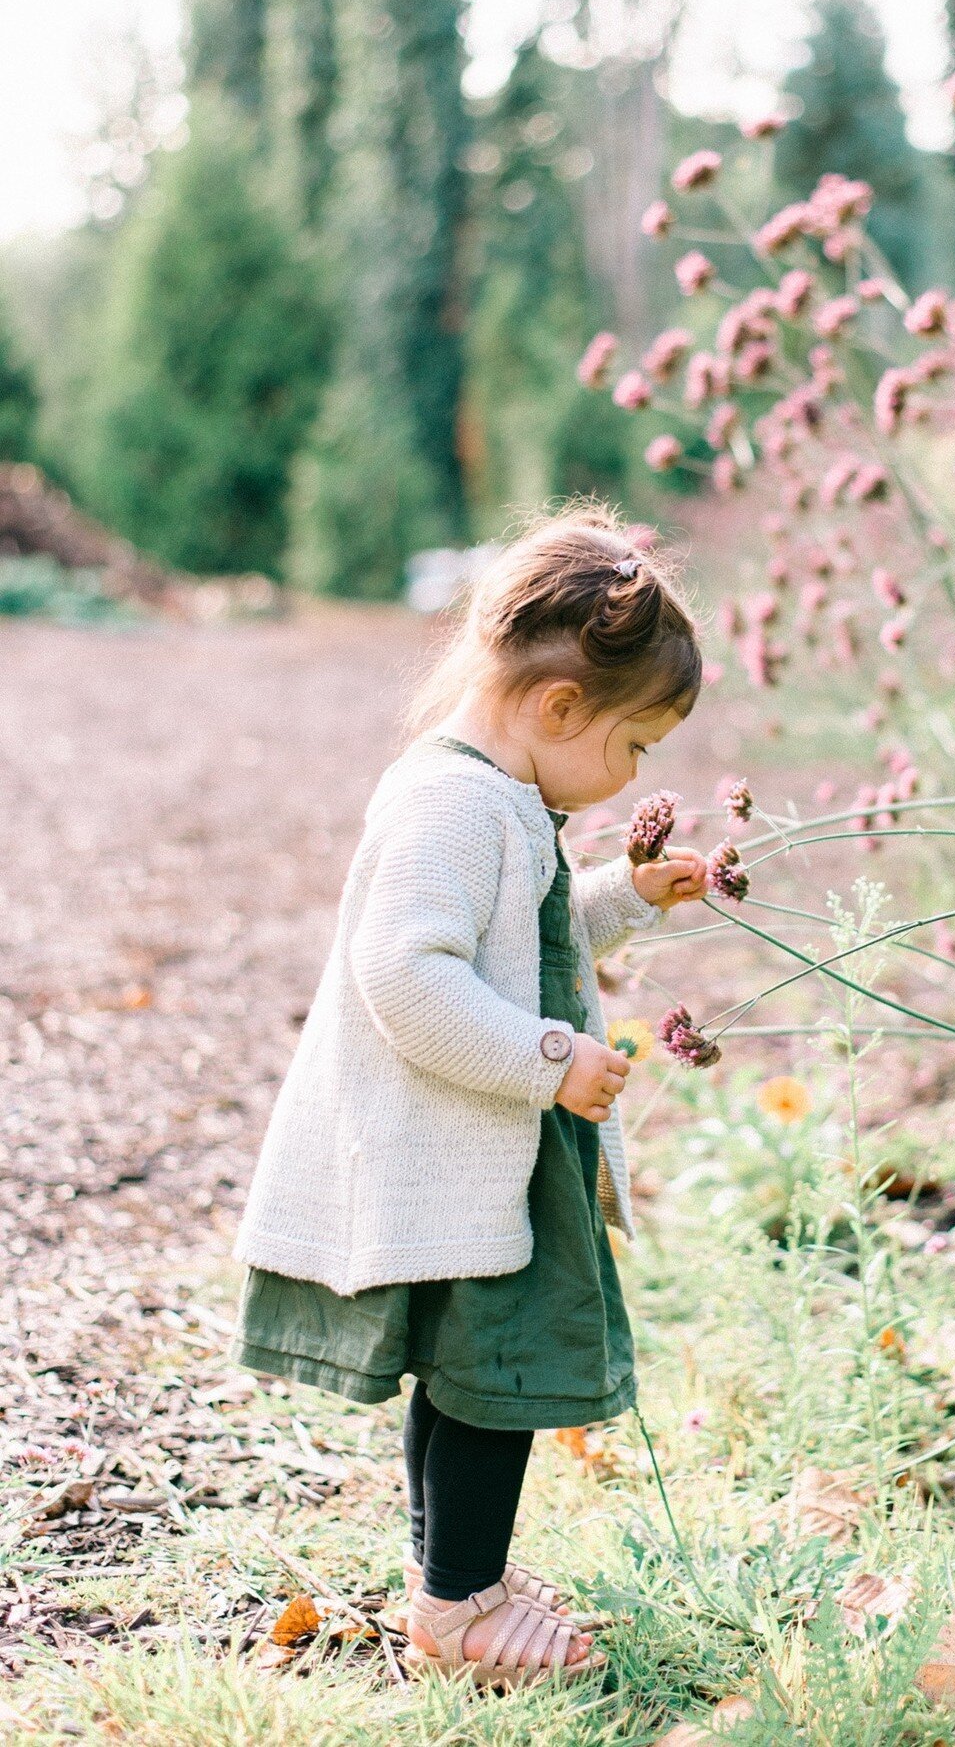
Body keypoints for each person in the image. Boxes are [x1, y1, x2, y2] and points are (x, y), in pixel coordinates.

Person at [230, 504, 709, 1686]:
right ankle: (457, 1615)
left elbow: (524, 933)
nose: (635, 774)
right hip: (459, 1143)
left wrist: (629, 894)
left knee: (469, 1374)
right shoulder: (453, 803)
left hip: (481, 1145)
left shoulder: (500, 797)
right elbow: (410, 975)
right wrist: (553, 1059)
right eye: (636, 745)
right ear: (559, 708)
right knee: (496, 1378)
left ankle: (458, 1582)